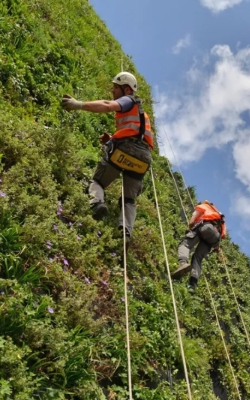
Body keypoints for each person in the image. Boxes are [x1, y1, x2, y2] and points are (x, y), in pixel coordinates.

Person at [61, 72, 153, 238]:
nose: (112, 91)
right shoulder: (142, 114)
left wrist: (78, 104)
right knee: (129, 200)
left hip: (125, 149)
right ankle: (126, 232)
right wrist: (111, 139)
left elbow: (107, 105)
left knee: (97, 181)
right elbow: (136, 135)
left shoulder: (128, 100)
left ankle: (97, 204)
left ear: (126, 89)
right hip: (144, 157)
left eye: (115, 88)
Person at [172, 200, 226, 291]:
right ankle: (192, 285)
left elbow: (192, 222)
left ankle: (183, 264)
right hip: (215, 239)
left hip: (206, 228)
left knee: (184, 245)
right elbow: (222, 235)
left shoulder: (202, 207)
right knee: (198, 258)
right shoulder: (218, 217)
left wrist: (191, 229)